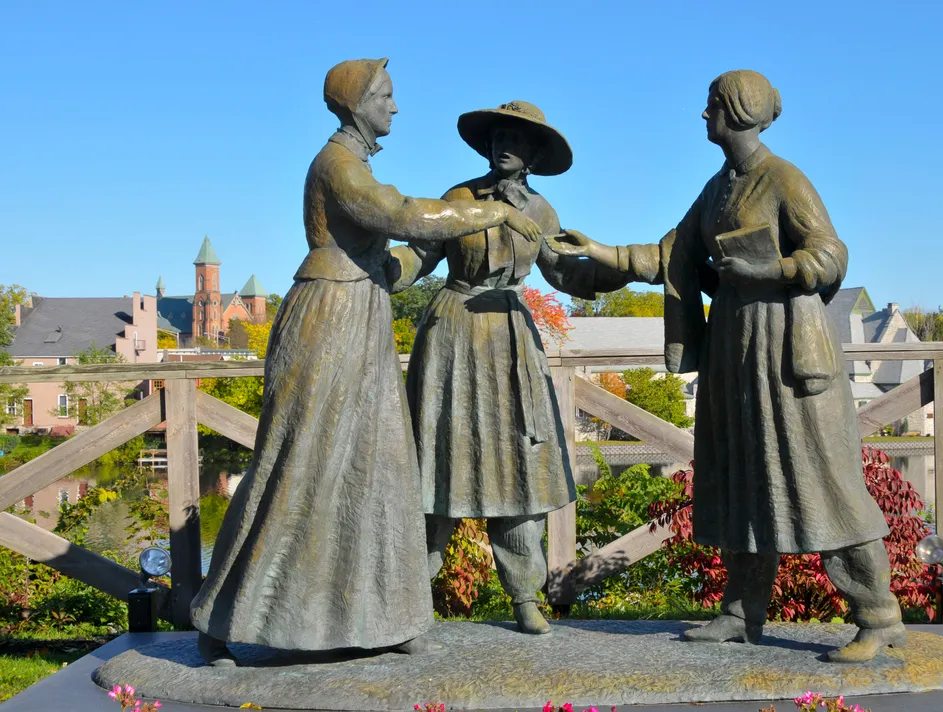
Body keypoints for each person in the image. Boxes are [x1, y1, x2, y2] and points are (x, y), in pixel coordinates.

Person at [190, 59, 542, 665]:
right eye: (386, 96)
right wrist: (493, 211)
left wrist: (406, 266)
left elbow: (394, 254)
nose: (395, 107)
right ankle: (224, 619)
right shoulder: (340, 165)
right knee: (300, 461)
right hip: (330, 319)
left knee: (375, 468)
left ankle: (382, 615)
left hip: (364, 312)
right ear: (358, 103)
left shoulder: (355, 163)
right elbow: (401, 214)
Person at [548, 70, 904, 663]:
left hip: (789, 356)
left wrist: (777, 272)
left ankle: (879, 614)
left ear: (737, 111)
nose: (702, 115)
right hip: (734, 353)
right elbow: (671, 255)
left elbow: (831, 255)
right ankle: (742, 613)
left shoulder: (784, 179)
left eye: (710, 105)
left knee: (823, 483)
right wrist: (601, 252)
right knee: (741, 480)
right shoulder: (717, 190)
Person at [393, 100, 630, 634]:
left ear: (535, 155)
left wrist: (623, 269)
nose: (504, 145)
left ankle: (525, 595)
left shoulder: (542, 212)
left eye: (517, 140)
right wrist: (379, 271)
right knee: (436, 461)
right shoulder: (458, 198)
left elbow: (567, 274)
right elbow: (420, 253)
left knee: (520, 464)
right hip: (452, 333)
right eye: (498, 136)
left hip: (509, 337)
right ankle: (411, 597)